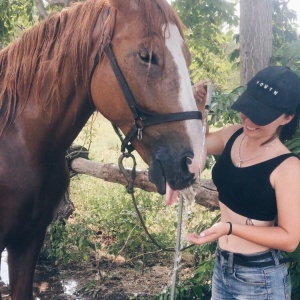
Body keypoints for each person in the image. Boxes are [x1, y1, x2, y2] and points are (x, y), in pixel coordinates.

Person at [187, 66, 300, 300]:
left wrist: (229, 228)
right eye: (247, 110)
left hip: (261, 279)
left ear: (287, 117)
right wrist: (199, 107)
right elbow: (200, 143)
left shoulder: (288, 168)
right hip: (223, 267)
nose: (249, 120)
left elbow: (289, 239)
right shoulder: (235, 135)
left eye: (261, 116)